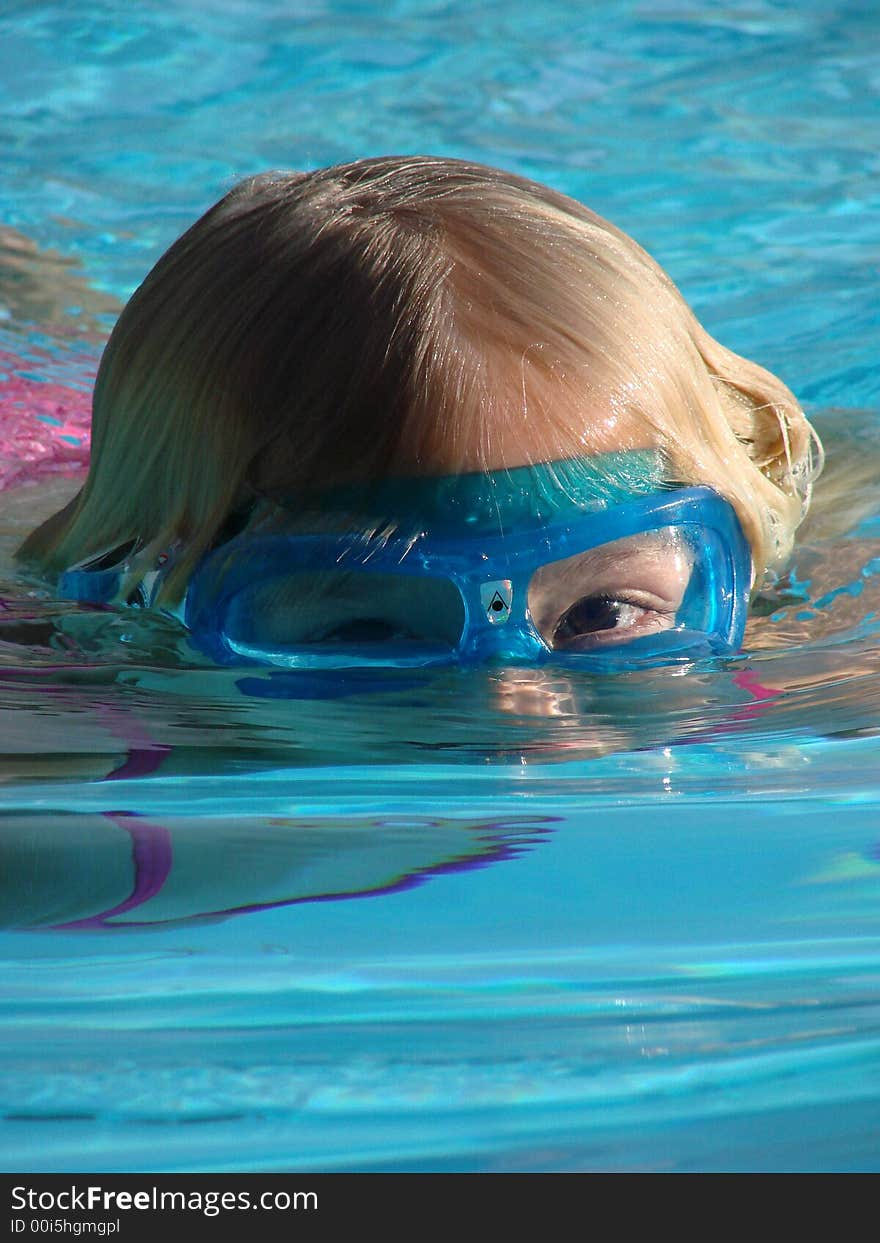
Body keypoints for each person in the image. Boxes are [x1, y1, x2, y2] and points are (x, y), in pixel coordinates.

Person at [16, 156, 822, 670]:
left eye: (601, 613)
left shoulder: (800, 633)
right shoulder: (63, 661)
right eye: (368, 631)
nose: (509, 715)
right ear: (139, 600)